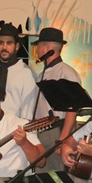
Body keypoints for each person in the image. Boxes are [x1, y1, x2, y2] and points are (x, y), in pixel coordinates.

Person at [31, 27, 81, 171]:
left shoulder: (66, 73)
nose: (37, 50)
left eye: (39, 46)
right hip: (43, 132)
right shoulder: (42, 74)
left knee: (56, 175)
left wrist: (63, 139)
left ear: (47, 48)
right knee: (43, 174)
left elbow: (72, 109)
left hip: (57, 131)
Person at [0, 22, 38, 120]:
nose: (4, 47)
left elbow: (28, 110)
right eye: (1, 43)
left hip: (16, 127)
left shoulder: (26, 73)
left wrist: (24, 128)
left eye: (9, 43)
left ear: (16, 46)